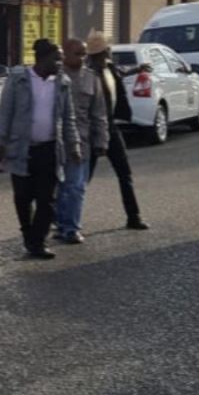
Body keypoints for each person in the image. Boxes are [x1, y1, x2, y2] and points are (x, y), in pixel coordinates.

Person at [0, 38, 81, 260]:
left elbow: (68, 117)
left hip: (50, 149)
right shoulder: (19, 79)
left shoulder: (62, 83)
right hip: (22, 149)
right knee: (22, 197)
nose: (61, 63)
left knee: (47, 199)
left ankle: (38, 241)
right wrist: (0, 141)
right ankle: (28, 236)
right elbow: (5, 113)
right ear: (43, 59)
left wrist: (74, 145)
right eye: (57, 59)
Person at [84, 30, 150, 230]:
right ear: (100, 53)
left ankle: (133, 216)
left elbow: (120, 74)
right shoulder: (87, 74)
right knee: (83, 179)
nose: (110, 51)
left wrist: (137, 69)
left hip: (111, 127)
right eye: (107, 49)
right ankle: (64, 217)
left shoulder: (109, 68)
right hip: (93, 130)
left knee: (124, 173)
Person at [54, 38, 109, 244]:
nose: (82, 58)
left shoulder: (91, 78)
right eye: (77, 53)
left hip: (83, 141)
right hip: (57, 141)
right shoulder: (55, 77)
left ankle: (71, 228)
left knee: (76, 187)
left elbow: (99, 113)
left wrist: (102, 140)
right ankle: (60, 223)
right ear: (65, 54)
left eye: (84, 54)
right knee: (59, 187)